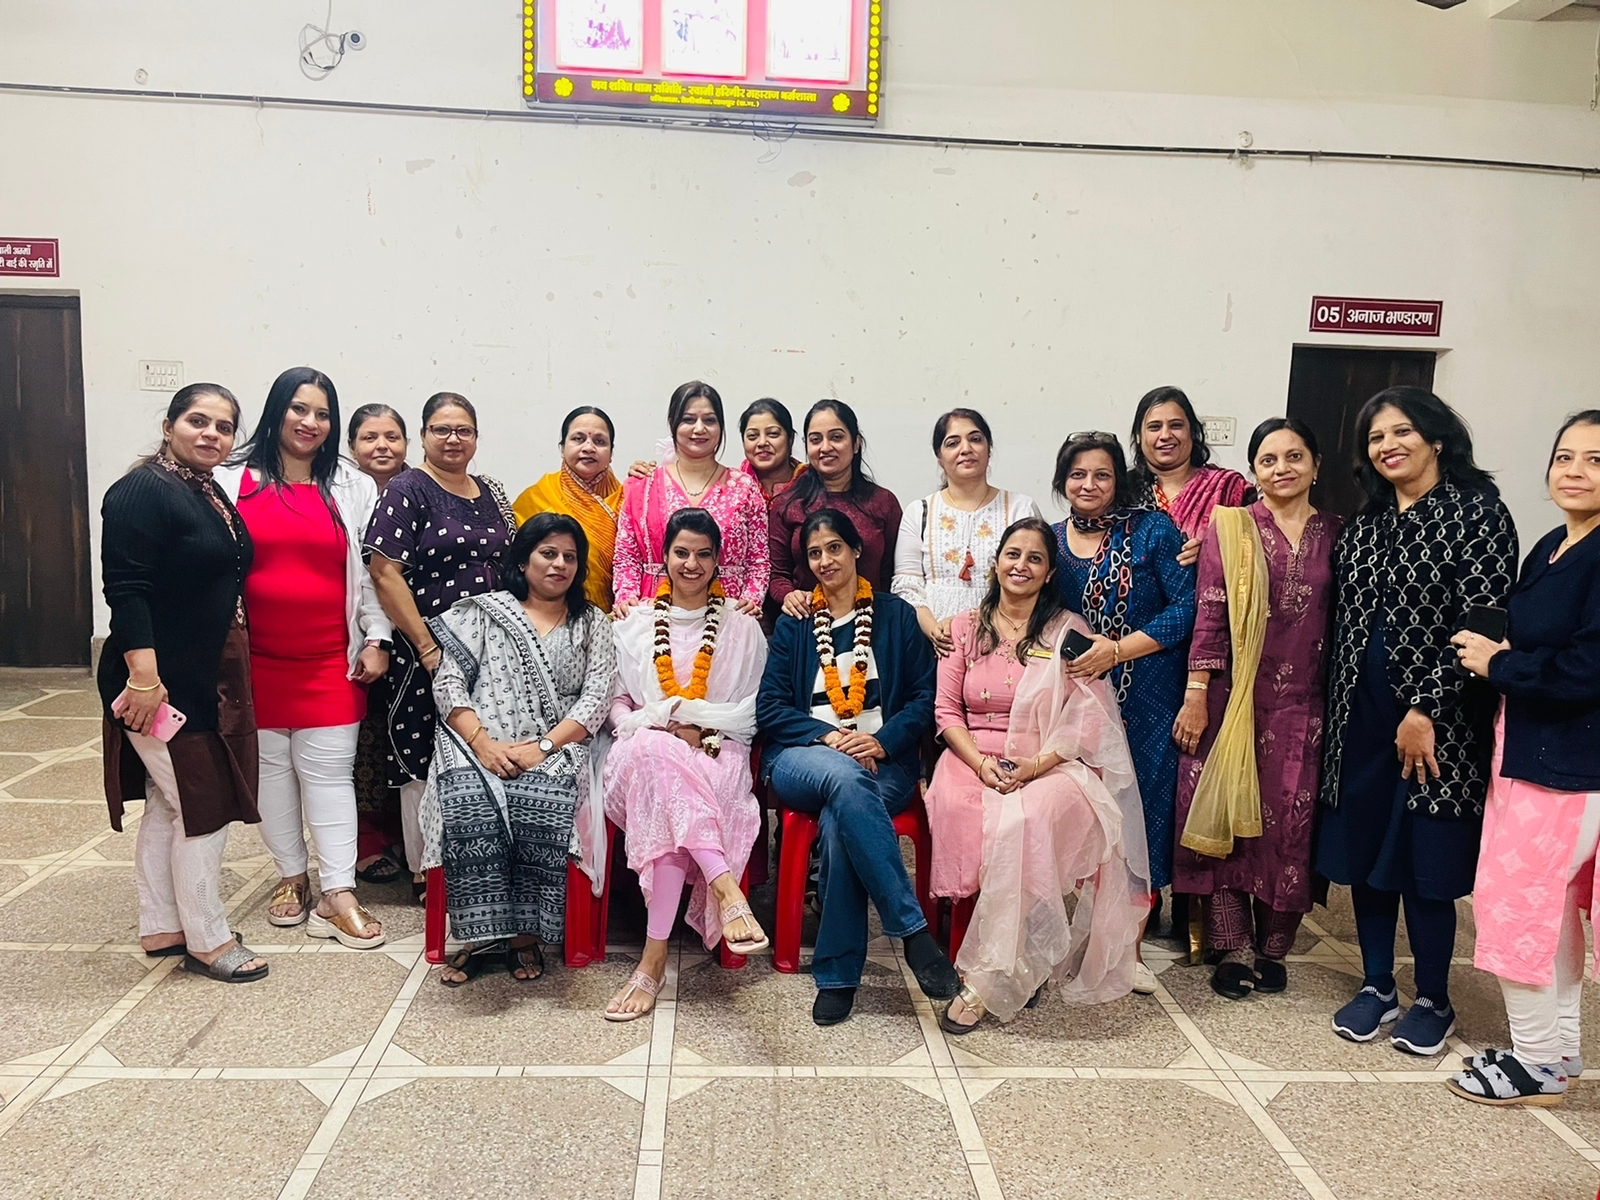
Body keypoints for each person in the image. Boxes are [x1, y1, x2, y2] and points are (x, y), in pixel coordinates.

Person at [1317, 387, 1517, 1055]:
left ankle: (1434, 997)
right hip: (1359, 718)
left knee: (1425, 862)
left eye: (1401, 431)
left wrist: (1426, 708)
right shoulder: (1366, 524)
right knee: (1367, 855)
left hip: (1439, 726)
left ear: (1436, 438)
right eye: (1376, 437)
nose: (1388, 446)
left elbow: (1482, 625)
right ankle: (1377, 985)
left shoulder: (1478, 514)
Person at [926, 519, 1151, 1033]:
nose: (1021, 566)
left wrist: (1034, 766)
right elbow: (945, 712)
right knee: (964, 806)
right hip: (971, 755)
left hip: (1047, 762)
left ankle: (984, 982)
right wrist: (981, 764)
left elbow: (1086, 718)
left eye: (1034, 558)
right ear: (996, 563)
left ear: (1049, 573)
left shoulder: (1068, 633)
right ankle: (1018, 961)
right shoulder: (963, 628)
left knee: (1023, 820)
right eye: (1012, 554)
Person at [1446, 411, 1600, 1105]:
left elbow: (1586, 670)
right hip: (1529, 753)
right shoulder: (1555, 545)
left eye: (1595, 460)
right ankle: (1558, 1049)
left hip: (1566, 766)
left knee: (1516, 906)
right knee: (1551, 909)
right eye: (1565, 456)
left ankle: (1535, 1063)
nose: (1575, 471)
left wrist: (1501, 664)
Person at [756, 509, 961, 1026]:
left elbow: (923, 698)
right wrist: (829, 737)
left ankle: (838, 976)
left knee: (839, 818)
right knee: (845, 777)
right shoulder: (796, 622)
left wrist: (881, 741)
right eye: (814, 554)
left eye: (834, 548)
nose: (825, 561)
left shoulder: (896, 616)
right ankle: (913, 932)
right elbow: (771, 707)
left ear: (855, 551)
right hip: (803, 758)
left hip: (882, 762)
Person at [98, 384, 269, 983]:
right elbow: (126, 589)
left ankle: (163, 925)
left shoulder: (202, 488)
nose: (211, 434)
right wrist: (145, 679)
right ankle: (209, 939)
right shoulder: (143, 490)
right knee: (203, 802)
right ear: (169, 425)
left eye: (223, 426)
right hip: (157, 680)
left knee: (170, 801)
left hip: (195, 671)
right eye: (198, 421)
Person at [217, 368, 389, 948]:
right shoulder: (232, 478)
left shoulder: (351, 484)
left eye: (322, 413)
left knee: (329, 774)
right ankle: (291, 875)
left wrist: (377, 637)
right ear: (276, 411)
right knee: (271, 774)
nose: (310, 422)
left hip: (330, 661)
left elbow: (371, 573)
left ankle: (338, 892)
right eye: (299, 409)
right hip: (253, 660)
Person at [1170, 419, 1341, 1000]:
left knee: (1290, 823)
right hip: (1232, 698)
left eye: (1295, 456)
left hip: (1306, 704)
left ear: (1316, 465)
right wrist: (1196, 694)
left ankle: (1274, 947)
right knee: (1224, 814)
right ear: (1253, 472)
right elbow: (1211, 612)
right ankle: (1233, 944)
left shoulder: (1339, 534)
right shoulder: (1232, 527)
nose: (1282, 469)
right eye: (1268, 460)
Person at [426, 513, 617, 985]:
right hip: (477, 740)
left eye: (570, 557)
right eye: (548, 553)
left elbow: (596, 698)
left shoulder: (592, 622)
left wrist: (543, 747)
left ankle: (523, 937)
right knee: (468, 796)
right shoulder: (484, 612)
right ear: (523, 560)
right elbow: (448, 683)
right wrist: (483, 744)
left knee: (540, 798)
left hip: (557, 744)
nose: (559, 565)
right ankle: (481, 934)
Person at [601, 509, 770, 1020]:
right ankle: (725, 886)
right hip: (640, 750)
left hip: (718, 750)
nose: (691, 564)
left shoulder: (743, 627)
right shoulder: (634, 624)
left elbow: (750, 711)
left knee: (668, 792)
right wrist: (657, 722)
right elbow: (616, 705)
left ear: (718, 561)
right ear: (664, 557)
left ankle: (652, 963)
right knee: (658, 756)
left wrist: (696, 725)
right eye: (681, 553)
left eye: (703, 554)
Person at [1050, 432, 1194, 973]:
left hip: (1148, 695)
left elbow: (1187, 607)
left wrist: (1117, 650)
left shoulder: (1152, 530)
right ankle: (1085, 934)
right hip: (1080, 700)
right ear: (1063, 480)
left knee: (1143, 818)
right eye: (1078, 474)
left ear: (1119, 480)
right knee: (1089, 814)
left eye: (1102, 475)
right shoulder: (1052, 540)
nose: (1089, 484)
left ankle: (1128, 950)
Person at [364, 393, 517, 902]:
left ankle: (478, 863)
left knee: (479, 748)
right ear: (424, 436)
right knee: (423, 752)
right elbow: (384, 572)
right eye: (442, 429)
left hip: (490, 650)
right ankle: (427, 870)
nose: (453, 439)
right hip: (426, 649)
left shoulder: (491, 491)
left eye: (463, 430)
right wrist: (428, 649)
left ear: (476, 436)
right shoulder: (408, 489)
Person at [613, 381, 768, 613]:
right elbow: (627, 556)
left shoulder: (743, 487)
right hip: (654, 613)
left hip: (727, 614)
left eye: (709, 420)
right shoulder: (643, 486)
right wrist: (627, 601)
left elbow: (758, 559)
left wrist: (750, 602)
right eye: (688, 419)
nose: (699, 429)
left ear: (721, 427)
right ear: (672, 424)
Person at [893, 408, 1037, 655]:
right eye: (953, 443)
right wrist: (935, 631)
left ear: (989, 449)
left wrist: (984, 628)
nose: (966, 449)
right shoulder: (919, 511)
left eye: (975, 439)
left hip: (1004, 643)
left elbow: (1033, 579)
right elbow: (907, 587)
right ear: (939, 457)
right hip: (933, 645)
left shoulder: (1019, 508)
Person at [346, 403, 409, 885]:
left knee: (401, 732)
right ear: (352, 446)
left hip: (413, 630)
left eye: (392, 437)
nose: (382, 446)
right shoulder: (339, 491)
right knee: (361, 739)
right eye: (370, 437)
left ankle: (404, 833)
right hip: (356, 631)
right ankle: (366, 839)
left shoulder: (420, 488)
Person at [769, 400, 903, 620]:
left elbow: (893, 574)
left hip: (872, 623)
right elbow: (777, 575)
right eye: (815, 439)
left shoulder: (883, 503)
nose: (825, 447)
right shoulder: (786, 505)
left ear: (856, 443)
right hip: (807, 622)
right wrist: (790, 597)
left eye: (836, 437)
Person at [512, 405, 624, 609]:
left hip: (621, 616)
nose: (589, 447)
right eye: (578, 438)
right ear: (562, 448)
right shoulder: (537, 497)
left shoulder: (629, 500)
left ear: (611, 453)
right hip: (547, 613)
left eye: (599, 441)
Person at [1129, 386, 1254, 551]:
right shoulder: (1123, 491)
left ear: (1193, 432)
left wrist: (1210, 552)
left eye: (1176, 425)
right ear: (1139, 436)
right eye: (1154, 427)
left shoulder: (1227, 488)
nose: (1165, 435)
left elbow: (1251, 550)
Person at [739, 397, 807, 503]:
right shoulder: (732, 488)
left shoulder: (812, 483)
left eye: (773, 434)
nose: (762, 443)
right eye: (752, 435)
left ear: (791, 439)